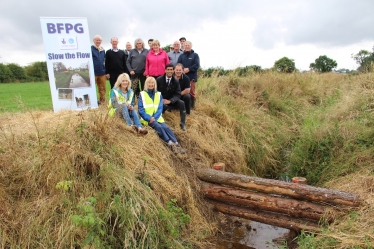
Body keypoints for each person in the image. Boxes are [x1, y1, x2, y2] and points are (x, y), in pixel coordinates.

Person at [138, 77, 186, 154]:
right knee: (159, 127)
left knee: (166, 127)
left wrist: (155, 117)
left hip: (157, 117)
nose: (151, 84)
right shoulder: (142, 94)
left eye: (152, 83)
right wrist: (149, 118)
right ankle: (170, 144)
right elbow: (140, 109)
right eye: (149, 83)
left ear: (155, 84)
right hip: (147, 119)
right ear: (146, 84)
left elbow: (160, 108)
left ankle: (176, 144)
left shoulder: (158, 94)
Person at [156, 64, 187, 131]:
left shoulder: (176, 81)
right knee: (163, 106)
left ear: (173, 71)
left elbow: (178, 94)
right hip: (162, 100)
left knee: (181, 103)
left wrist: (170, 101)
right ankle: (160, 120)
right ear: (165, 70)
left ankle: (183, 123)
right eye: (168, 69)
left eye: (171, 70)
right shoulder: (159, 79)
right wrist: (161, 99)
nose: (170, 71)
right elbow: (155, 91)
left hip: (171, 100)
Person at [177, 41, 200, 109]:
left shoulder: (195, 55)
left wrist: (189, 69)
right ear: (183, 46)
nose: (187, 46)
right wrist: (182, 70)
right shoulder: (181, 56)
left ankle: (192, 107)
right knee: (183, 91)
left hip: (192, 77)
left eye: (188, 45)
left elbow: (197, 65)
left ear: (191, 46)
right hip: (182, 76)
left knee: (191, 91)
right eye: (185, 45)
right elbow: (179, 64)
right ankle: (183, 106)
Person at [91, 35, 106, 104]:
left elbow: (104, 60)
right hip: (93, 72)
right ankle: (93, 102)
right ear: (94, 41)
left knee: (102, 88)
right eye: (97, 40)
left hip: (102, 72)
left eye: (99, 40)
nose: (98, 41)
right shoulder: (91, 49)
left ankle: (102, 102)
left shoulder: (103, 50)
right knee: (92, 88)